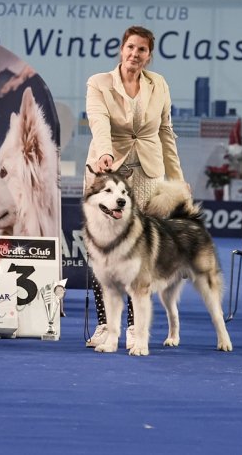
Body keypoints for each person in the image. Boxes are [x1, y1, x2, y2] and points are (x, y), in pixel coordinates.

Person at [83, 25, 184, 348]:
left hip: (147, 175)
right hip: (107, 173)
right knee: (103, 251)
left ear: (149, 55)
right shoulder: (99, 83)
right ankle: (104, 324)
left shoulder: (159, 84)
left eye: (142, 49)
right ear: (121, 49)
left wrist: (177, 179)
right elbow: (99, 122)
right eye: (130, 47)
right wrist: (105, 153)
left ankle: (132, 327)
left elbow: (165, 131)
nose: (135, 54)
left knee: (138, 252)